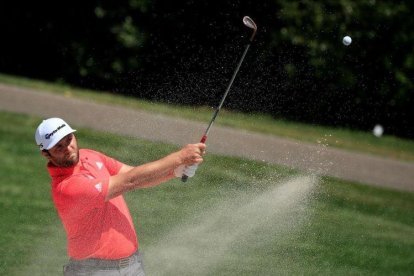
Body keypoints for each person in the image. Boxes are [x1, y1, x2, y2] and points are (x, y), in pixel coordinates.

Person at [35, 117, 205, 275]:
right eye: (58, 146)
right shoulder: (67, 187)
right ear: (45, 153)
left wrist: (175, 171)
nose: (68, 148)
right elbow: (129, 181)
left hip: (133, 265)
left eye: (69, 139)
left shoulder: (89, 155)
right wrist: (180, 156)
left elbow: (133, 175)